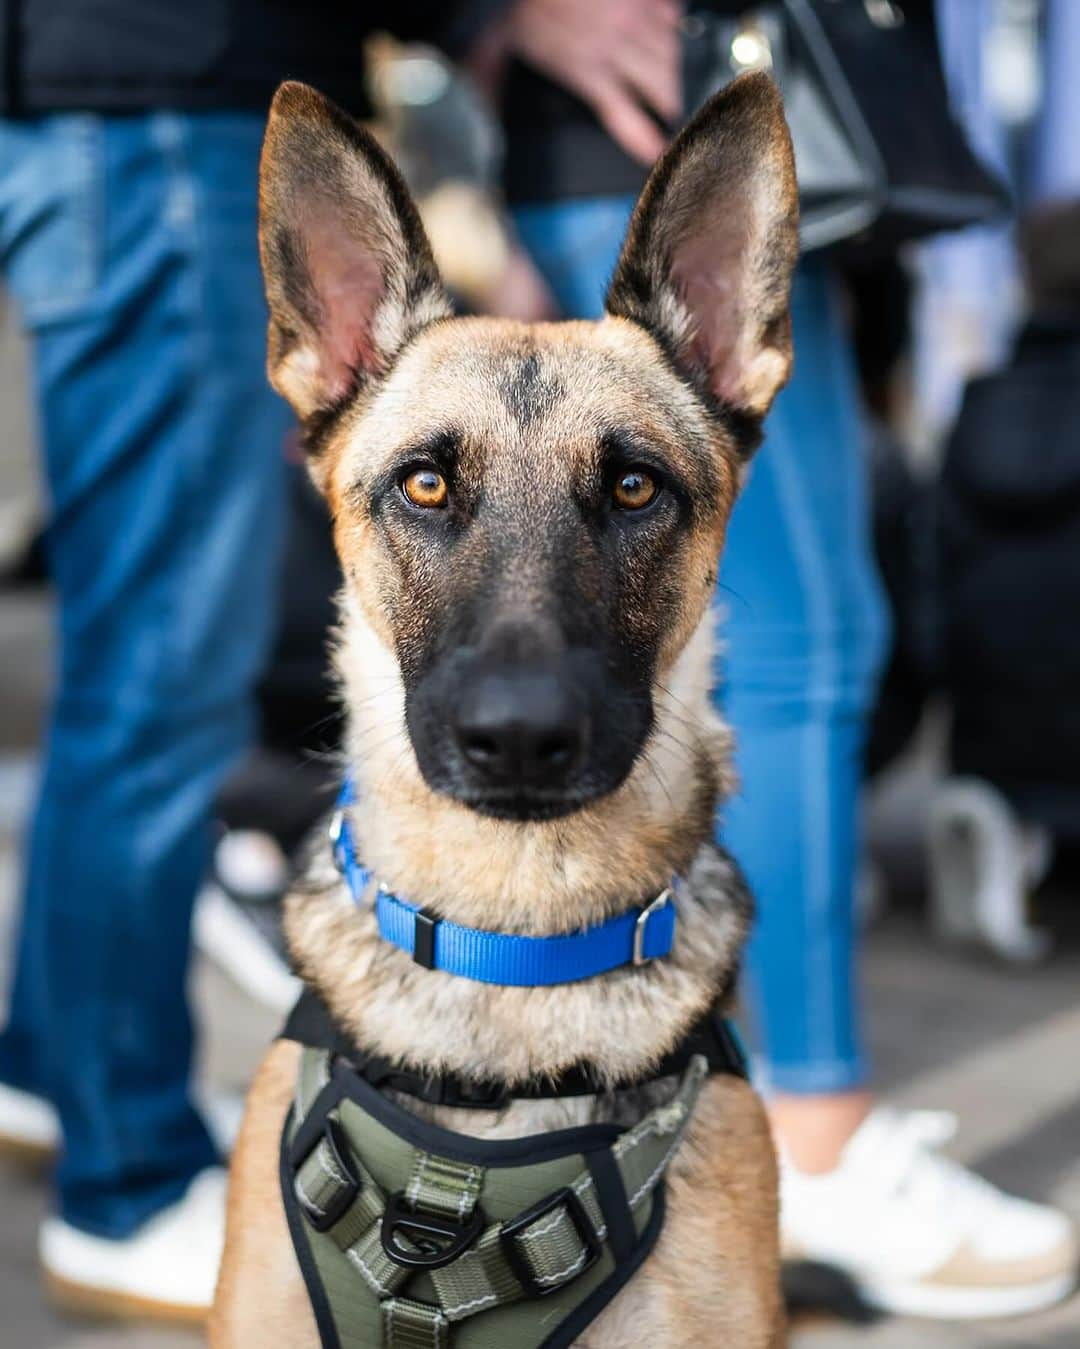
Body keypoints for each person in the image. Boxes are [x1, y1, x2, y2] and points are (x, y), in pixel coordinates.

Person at [470, 0, 1077, 1320]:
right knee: (803, 651)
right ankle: (815, 1134)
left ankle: (729, 1109)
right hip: (658, 140)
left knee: (817, 638)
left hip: (709, 136)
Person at [0, 0, 493, 1322]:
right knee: (162, 673)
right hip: (165, 106)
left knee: (134, 662)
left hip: (127, 106)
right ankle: (129, 1183)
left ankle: (58, 1076)